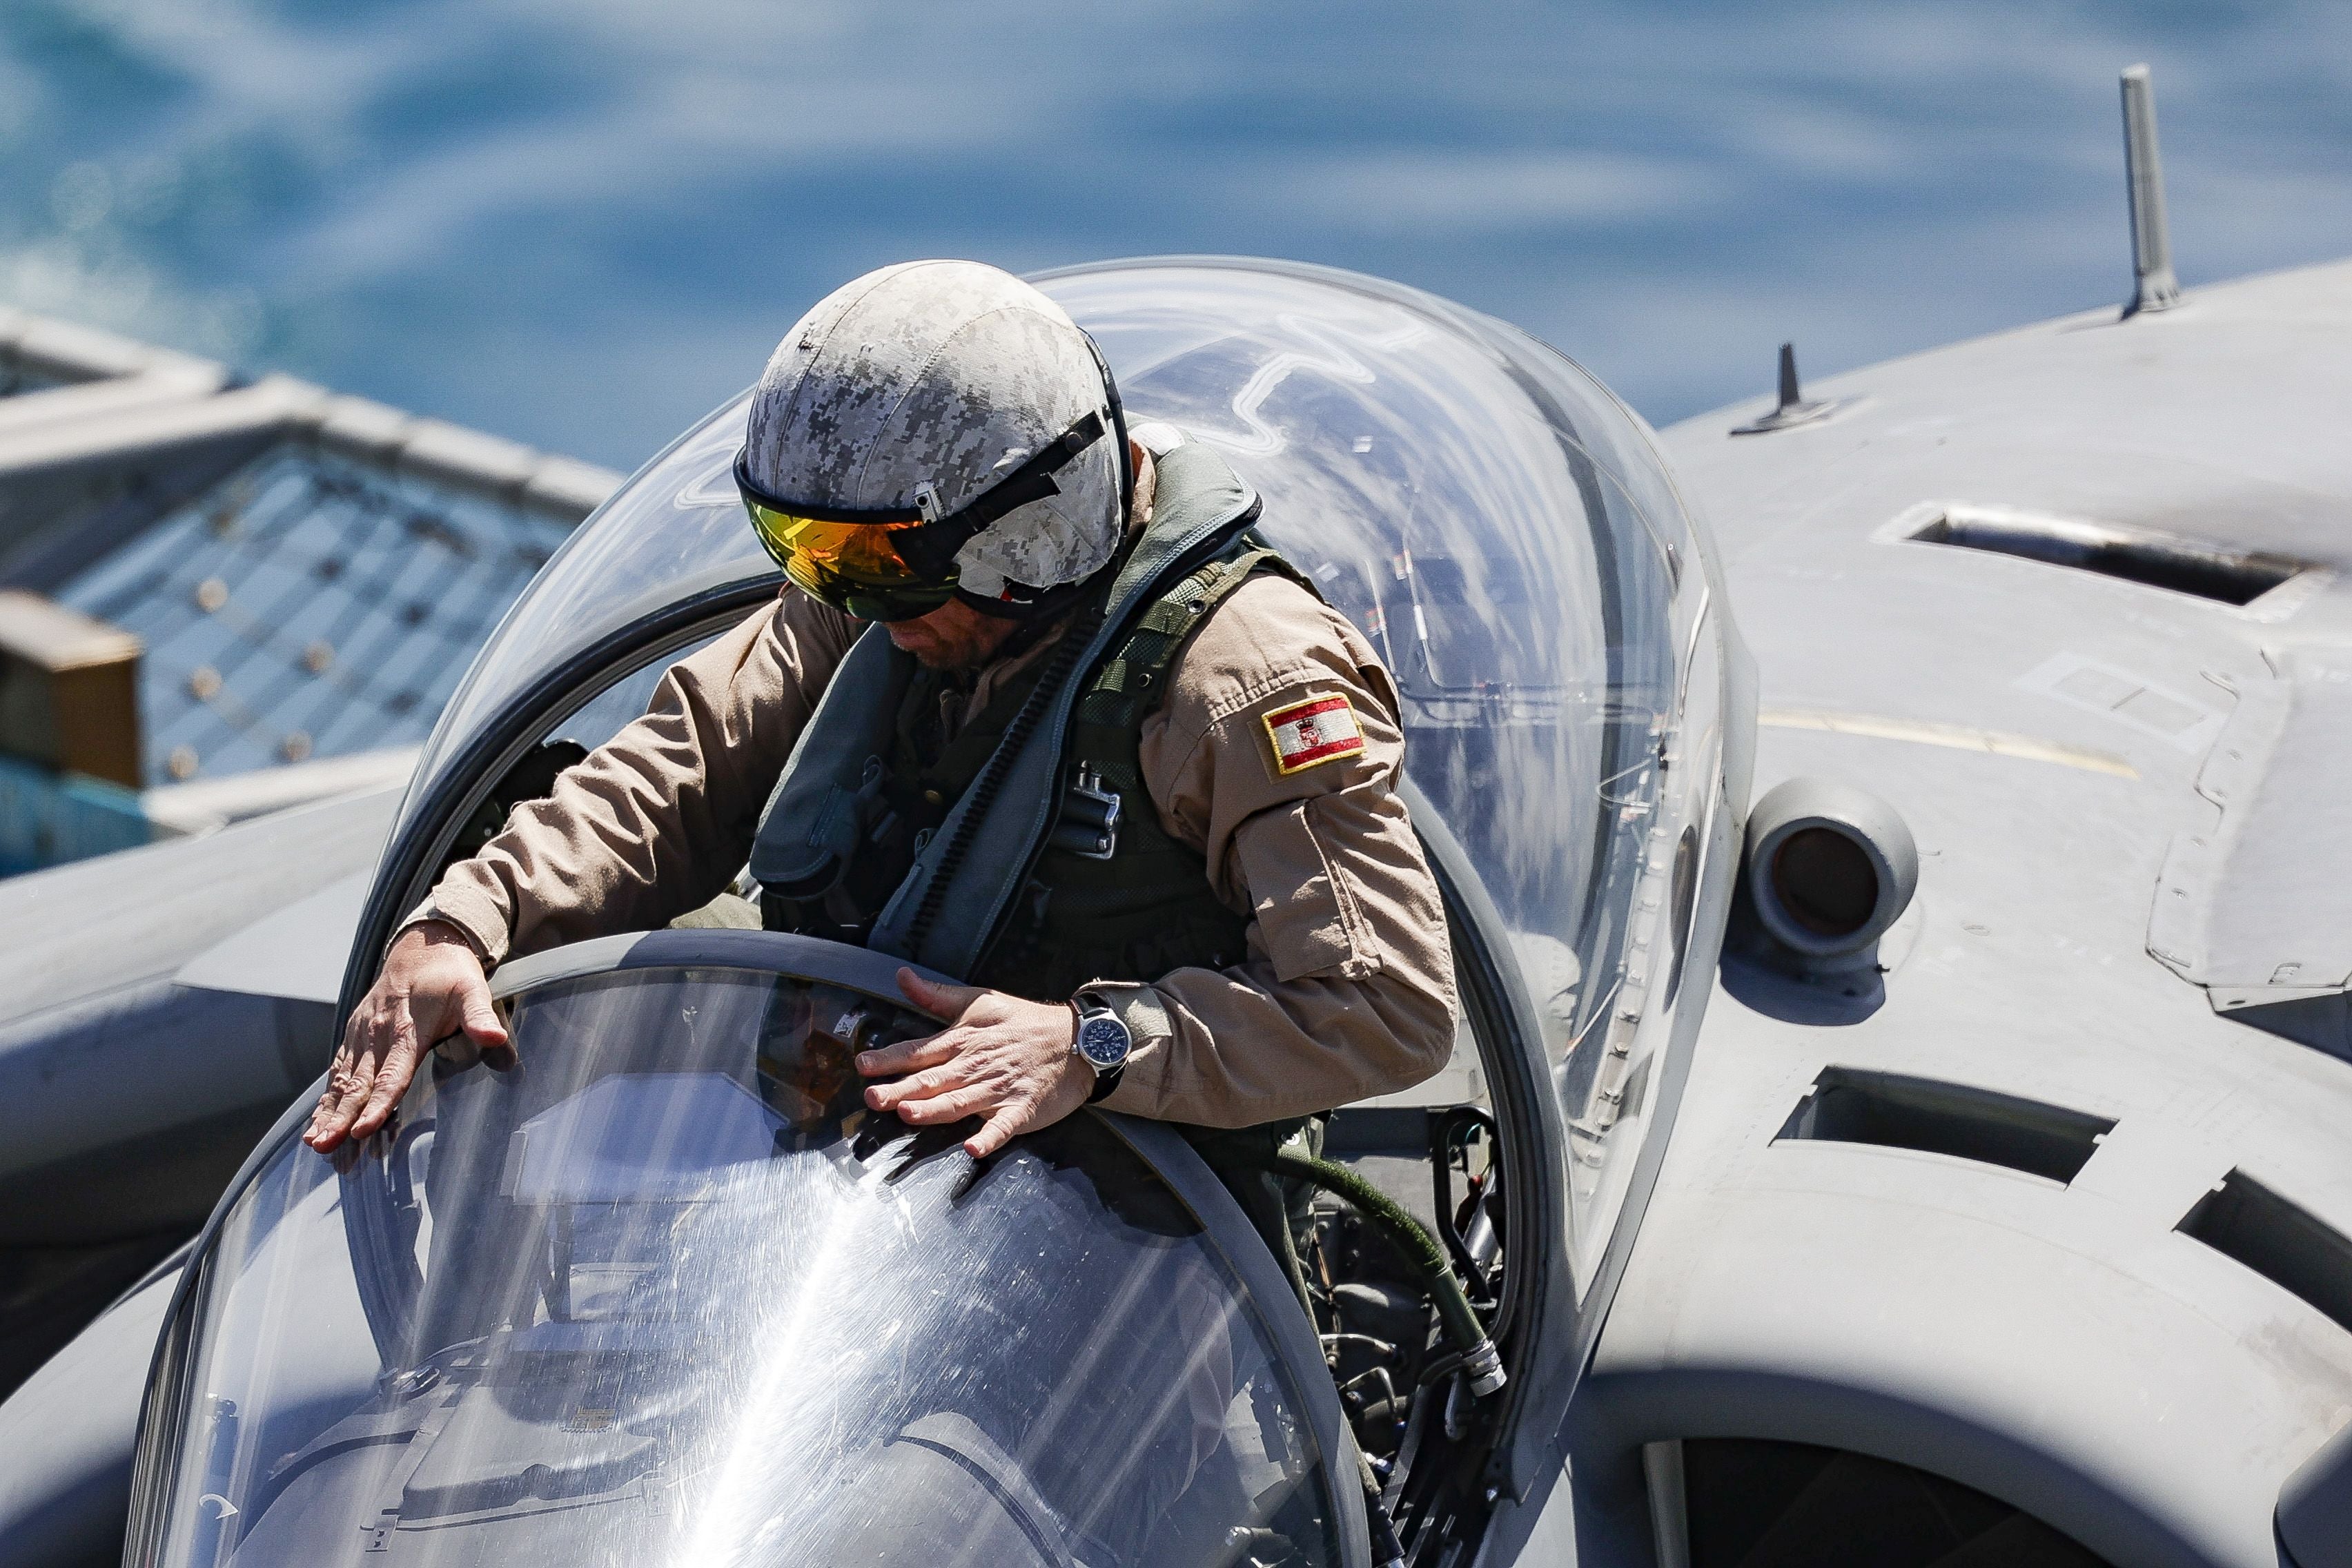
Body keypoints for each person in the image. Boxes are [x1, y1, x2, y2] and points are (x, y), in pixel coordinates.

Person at [303, 260, 1456, 1233]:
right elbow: (680, 768)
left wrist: (1094, 1041)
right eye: (807, 550)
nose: (849, 597)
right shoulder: (882, 581)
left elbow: (1386, 1004)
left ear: (1033, 529)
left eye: (882, 563)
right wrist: (466, 922)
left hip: (1122, 1204)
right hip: (862, 1116)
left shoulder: (1241, 679)